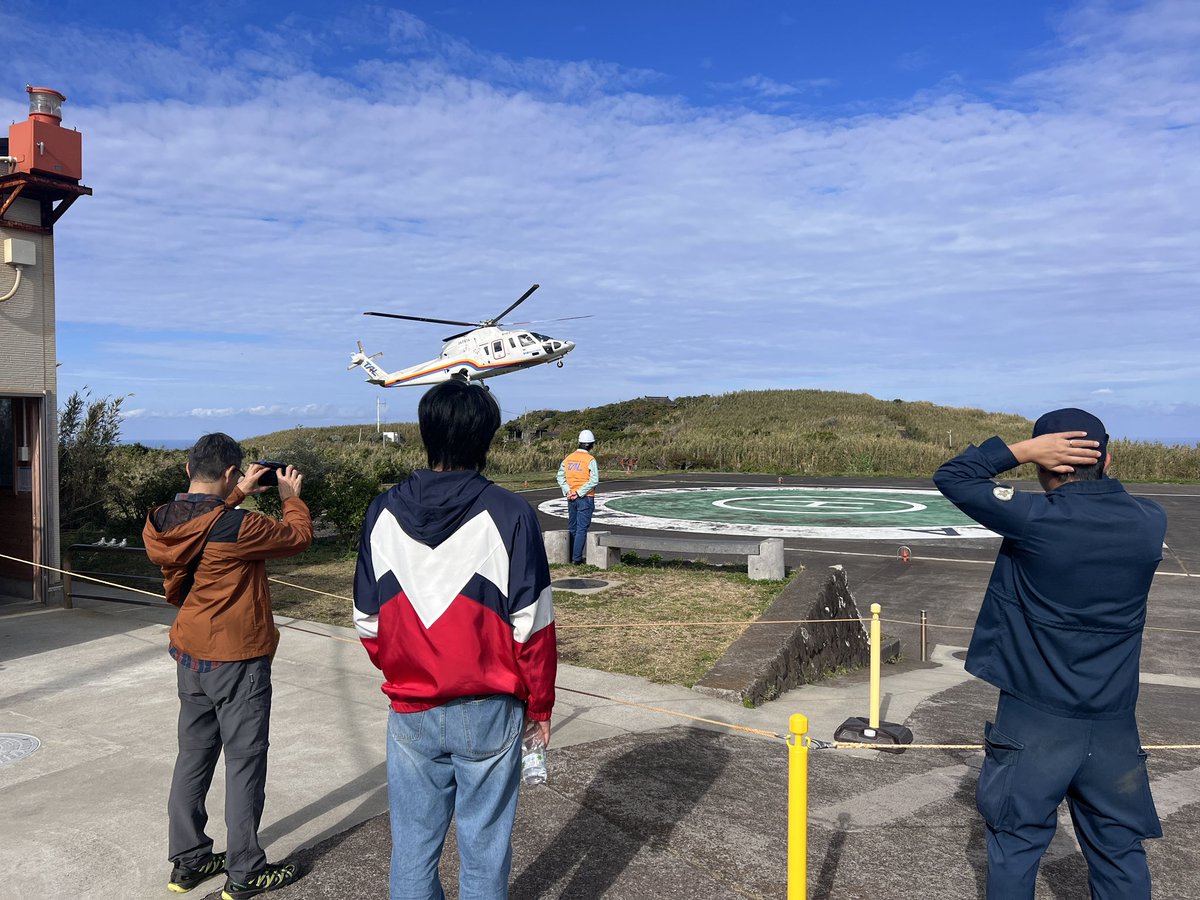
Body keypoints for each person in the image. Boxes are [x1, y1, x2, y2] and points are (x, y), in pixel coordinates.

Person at [933, 408, 1166, 899]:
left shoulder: (1035, 519)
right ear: (1108, 458)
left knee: (1016, 845)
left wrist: (1018, 451)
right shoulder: (1149, 520)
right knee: (1120, 850)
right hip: (1114, 721)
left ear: (1047, 465)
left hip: (1033, 718)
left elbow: (952, 476)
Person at [353, 379, 557, 900]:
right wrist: (540, 705)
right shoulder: (512, 514)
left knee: (413, 850)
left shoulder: (382, 511)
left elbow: (367, 620)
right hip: (489, 707)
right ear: (486, 436)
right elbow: (532, 625)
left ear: (425, 433)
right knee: (484, 850)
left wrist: (405, 666)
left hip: (411, 705)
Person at [143, 433, 311, 899]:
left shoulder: (159, 521)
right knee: (244, 762)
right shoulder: (239, 527)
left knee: (192, 757)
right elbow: (298, 537)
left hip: (190, 653)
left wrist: (237, 493)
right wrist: (290, 497)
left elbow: (205, 522)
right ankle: (246, 870)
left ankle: (189, 861)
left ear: (187, 470)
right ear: (233, 472)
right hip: (238, 659)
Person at [557, 428, 599, 564]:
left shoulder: (568, 458)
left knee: (573, 527)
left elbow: (560, 476)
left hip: (571, 498)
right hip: (585, 497)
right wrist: (579, 492)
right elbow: (594, 480)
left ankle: (570, 556)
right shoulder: (590, 459)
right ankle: (576, 559)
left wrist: (568, 490)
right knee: (582, 529)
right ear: (591, 444)